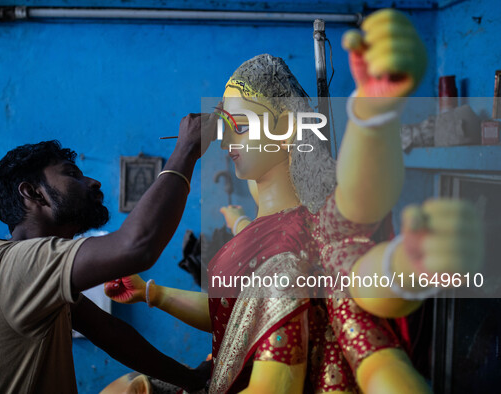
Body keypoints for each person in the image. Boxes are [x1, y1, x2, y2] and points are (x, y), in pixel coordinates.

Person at [105, 9, 483, 394]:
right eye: (223, 127)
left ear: (286, 128)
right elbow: (233, 318)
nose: (224, 142)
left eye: (239, 127)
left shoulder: (291, 252)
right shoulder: (262, 227)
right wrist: (154, 293)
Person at [0, 110, 217, 393]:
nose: (93, 182)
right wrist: (187, 149)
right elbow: (137, 246)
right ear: (32, 193)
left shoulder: (23, 268)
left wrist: (194, 381)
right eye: (71, 174)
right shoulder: (19, 263)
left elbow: (109, 333)